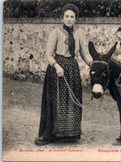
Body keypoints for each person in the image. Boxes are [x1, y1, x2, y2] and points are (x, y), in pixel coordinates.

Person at [34, 4, 92, 146]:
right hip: (57, 70)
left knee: (71, 101)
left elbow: (85, 54)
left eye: (72, 17)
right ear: (62, 18)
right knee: (55, 102)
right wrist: (56, 66)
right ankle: (49, 134)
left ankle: (70, 133)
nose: (69, 19)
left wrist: (94, 63)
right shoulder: (55, 33)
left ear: (75, 19)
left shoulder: (79, 33)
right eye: (67, 16)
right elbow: (48, 54)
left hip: (73, 69)